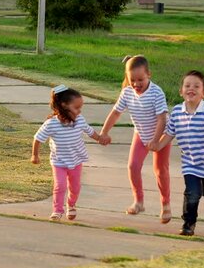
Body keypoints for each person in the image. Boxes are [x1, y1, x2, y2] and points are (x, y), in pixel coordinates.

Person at [156, 70, 204, 236]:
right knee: (192, 194)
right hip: (190, 164)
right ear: (181, 91)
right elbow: (169, 133)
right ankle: (188, 224)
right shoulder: (176, 112)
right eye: (187, 85)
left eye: (196, 86)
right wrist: (157, 146)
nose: (191, 88)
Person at [99, 55, 172, 223]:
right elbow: (116, 112)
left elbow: (162, 118)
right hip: (141, 133)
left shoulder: (156, 92)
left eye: (141, 79)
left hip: (160, 135)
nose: (136, 84)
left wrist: (156, 141)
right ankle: (139, 201)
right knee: (133, 166)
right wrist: (104, 132)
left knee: (160, 170)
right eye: (132, 80)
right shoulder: (127, 92)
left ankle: (165, 204)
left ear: (149, 75)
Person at [31, 85, 106, 221]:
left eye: (80, 107)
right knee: (60, 186)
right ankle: (57, 211)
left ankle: (71, 205)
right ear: (64, 106)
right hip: (58, 161)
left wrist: (100, 138)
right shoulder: (51, 124)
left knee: (75, 187)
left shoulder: (79, 120)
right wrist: (35, 155)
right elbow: (37, 138)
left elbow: (90, 132)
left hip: (76, 160)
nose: (79, 111)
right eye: (76, 108)